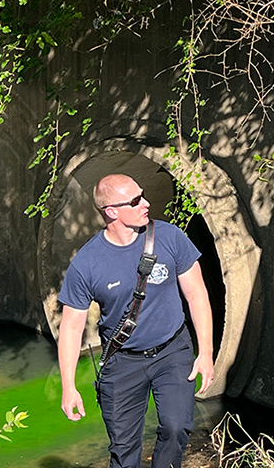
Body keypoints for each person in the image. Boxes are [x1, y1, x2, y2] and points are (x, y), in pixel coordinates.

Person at [58, 174, 214, 468]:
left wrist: (205, 352)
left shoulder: (169, 237)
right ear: (111, 212)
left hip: (172, 350)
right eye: (136, 200)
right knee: (124, 450)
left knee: (176, 427)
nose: (147, 203)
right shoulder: (86, 264)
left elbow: (197, 294)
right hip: (122, 361)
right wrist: (68, 386)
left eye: (142, 195)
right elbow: (71, 327)